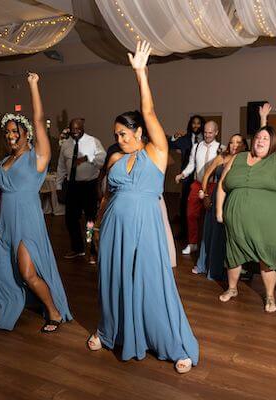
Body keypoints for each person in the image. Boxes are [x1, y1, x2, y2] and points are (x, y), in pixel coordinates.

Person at [88, 42, 198, 374]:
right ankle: (111, 332)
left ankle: (172, 343)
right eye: (115, 134)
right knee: (116, 281)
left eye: (123, 133)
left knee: (153, 282)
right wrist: (95, 227)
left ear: (138, 132)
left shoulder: (157, 152)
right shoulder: (116, 159)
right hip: (114, 229)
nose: (119, 138)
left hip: (146, 227)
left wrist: (141, 74)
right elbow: (105, 197)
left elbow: (149, 112)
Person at [0, 73, 72, 333]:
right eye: (8, 132)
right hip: (4, 224)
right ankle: (12, 305)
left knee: (27, 272)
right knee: (2, 272)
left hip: (26, 221)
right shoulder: (3, 162)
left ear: (27, 133)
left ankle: (54, 312)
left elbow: (38, 120)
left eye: (15, 131)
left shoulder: (38, 157)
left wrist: (34, 86)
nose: (10, 135)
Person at [216, 102, 276, 313]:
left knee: (268, 258)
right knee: (234, 255)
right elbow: (222, 184)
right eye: (258, 137)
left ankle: (270, 296)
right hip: (237, 220)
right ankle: (232, 289)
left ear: (273, 143)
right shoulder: (238, 158)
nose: (260, 141)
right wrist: (220, 211)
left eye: (266, 138)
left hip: (269, 224)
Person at [192, 134, 247, 278]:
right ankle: (207, 266)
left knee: (230, 234)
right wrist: (206, 195)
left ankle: (232, 267)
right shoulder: (221, 157)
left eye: (238, 142)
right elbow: (206, 176)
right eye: (231, 142)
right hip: (218, 196)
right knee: (212, 232)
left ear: (244, 145)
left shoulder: (246, 159)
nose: (234, 145)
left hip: (235, 198)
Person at [56, 118, 106, 263]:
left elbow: (102, 160)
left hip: (88, 186)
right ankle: (78, 248)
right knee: (70, 219)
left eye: (78, 129)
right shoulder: (65, 144)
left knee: (90, 220)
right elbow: (61, 166)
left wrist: (87, 158)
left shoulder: (93, 142)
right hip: (72, 186)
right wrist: (59, 186)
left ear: (83, 127)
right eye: (73, 129)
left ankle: (92, 249)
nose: (75, 132)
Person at [174, 120, 222, 255]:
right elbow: (191, 165)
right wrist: (182, 174)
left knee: (210, 217)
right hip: (197, 184)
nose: (207, 135)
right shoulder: (196, 146)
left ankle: (208, 245)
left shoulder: (221, 148)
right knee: (191, 214)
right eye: (205, 132)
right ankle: (193, 243)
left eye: (210, 133)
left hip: (212, 186)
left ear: (216, 132)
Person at [169, 115, 205, 240]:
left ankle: (199, 235)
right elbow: (170, 145)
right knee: (184, 205)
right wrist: (174, 137)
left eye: (198, 123)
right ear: (190, 125)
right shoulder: (185, 139)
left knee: (201, 206)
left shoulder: (207, 139)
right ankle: (184, 233)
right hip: (187, 177)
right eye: (193, 123)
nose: (196, 125)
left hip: (202, 177)